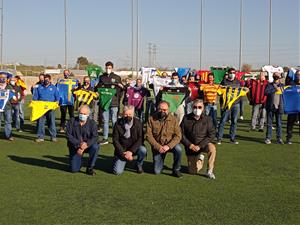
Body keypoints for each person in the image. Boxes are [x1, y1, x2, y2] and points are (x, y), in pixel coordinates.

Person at [181, 99, 216, 179]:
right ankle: (200, 158)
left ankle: (210, 171)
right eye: (195, 107)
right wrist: (190, 145)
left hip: (203, 144)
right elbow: (181, 134)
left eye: (200, 107)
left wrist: (200, 146)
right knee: (192, 171)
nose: (197, 109)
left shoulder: (208, 119)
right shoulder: (186, 118)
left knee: (212, 148)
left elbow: (211, 134)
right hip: (191, 147)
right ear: (192, 107)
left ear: (203, 108)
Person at [146, 100, 183, 178]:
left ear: (168, 110)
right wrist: (158, 147)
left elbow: (178, 136)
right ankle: (160, 161)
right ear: (157, 109)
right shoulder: (151, 119)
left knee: (179, 149)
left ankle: (176, 169)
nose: (162, 111)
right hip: (158, 146)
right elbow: (148, 136)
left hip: (170, 145)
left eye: (164, 110)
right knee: (157, 171)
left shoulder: (174, 120)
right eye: (160, 109)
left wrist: (168, 146)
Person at [112, 105, 147, 175]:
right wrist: (123, 153)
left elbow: (140, 138)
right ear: (122, 114)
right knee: (117, 172)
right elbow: (115, 140)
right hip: (122, 150)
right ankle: (118, 158)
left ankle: (139, 164)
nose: (127, 116)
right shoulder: (117, 123)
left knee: (143, 150)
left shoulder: (138, 123)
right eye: (125, 114)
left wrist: (131, 151)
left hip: (134, 148)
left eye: (130, 114)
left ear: (133, 114)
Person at [216, 68, 248, 144]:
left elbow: (241, 93)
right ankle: (219, 138)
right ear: (228, 73)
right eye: (231, 72)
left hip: (236, 104)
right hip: (226, 104)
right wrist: (221, 104)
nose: (232, 74)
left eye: (234, 72)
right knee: (223, 121)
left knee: (234, 121)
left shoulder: (238, 82)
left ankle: (232, 138)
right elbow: (219, 93)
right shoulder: (224, 81)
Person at [95, 61, 123, 145]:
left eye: (109, 68)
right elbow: (97, 88)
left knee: (114, 121)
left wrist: (118, 96)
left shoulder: (117, 77)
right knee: (105, 121)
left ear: (112, 68)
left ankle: (115, 138)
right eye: (107, 68)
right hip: (104, 103)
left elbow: (122, 88)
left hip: (114, 102)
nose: (108, 69)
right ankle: (105, 138)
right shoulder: (101, 77)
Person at [66, 105, 99, 175]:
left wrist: (86, 144)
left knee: (95, 147)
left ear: (88, 115)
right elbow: (68, 136)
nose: (82, 115)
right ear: (78, 113)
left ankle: (90, 167)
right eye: (81, 113)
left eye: (84, 114)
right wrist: (79, 145)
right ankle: (80, 161)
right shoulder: (71, 121)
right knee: (74, 170)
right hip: (75, 147)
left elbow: (95, 136)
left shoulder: (92, 123)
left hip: (88, 146)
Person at [32, 74, 59, 142]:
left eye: (47, 79)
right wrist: (34, 103)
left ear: (50, 80)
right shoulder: (39, 87)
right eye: (45, 79)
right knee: (41, 122)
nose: (46, 81)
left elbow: (57, 97)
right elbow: (35, 97)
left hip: (50, 107)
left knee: (51, 122)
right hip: (41, 107)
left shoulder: (54, 88)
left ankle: (53, 136)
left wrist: (57, 102)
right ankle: (40, 137)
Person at [264, 72, 284, 144]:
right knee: (269, 124)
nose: (276, 77)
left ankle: (279, 138)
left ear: (280, 77)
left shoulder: (282, 85)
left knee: (279, 124)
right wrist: (275, 90)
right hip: (271, 106)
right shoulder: (269, 85)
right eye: (275, 76)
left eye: (277, 76)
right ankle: (268, 138)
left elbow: (285, 94)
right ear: (273, 76)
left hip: (279, 107)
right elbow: (265, 92)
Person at [284, 70, 300, 144]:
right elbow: (287, 83)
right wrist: (289, 72)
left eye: (299, 75)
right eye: (297, 74)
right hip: (292, 107)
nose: (298, 76)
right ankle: (288, 138)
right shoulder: (291, 83)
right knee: (290, 123)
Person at [0, 73, 17, 141]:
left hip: (8, 107)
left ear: (7, 79)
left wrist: (14, 96)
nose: (3, 78)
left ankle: (8, 135)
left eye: (5, 77)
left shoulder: (9, 87)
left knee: (8, 121)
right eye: (1, 77)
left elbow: (14, 96)